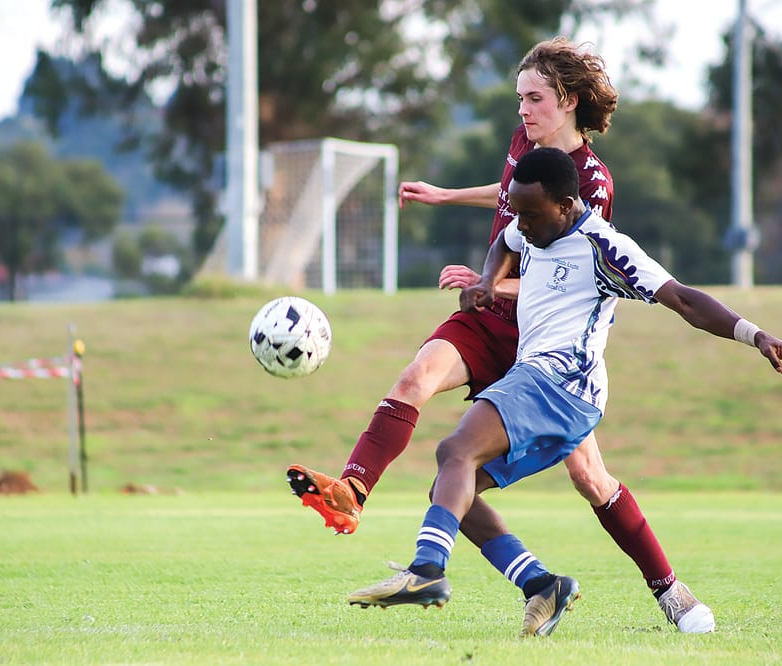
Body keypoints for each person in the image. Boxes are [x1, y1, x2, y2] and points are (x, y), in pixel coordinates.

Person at [290, 38, 704, 635]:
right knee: (417, 379)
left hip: (547, 345)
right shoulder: (524, 145)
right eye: (519, 98)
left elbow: (571, 278)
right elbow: (511, 195)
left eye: (533, 99)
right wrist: (447, 196)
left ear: (566, 101)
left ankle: (666, 591)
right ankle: (354, 488)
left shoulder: (593, 183)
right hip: (489, 319)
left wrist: (492, 286)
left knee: (592, 480)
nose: (523, 111)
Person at [346, 146, 782, 636]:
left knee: (454, 450)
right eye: (516, 211)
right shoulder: (530, 227)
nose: (521, 224)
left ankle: (427, 571)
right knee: (450, 490)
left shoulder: (604, 247)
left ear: (567, 204)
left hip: (559, 384)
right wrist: (486, 281)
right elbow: (505, 242)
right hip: (549, 389)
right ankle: (543, 585)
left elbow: (685, 300)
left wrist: (756, 335)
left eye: (532, 214)